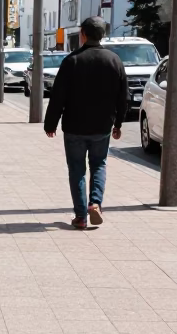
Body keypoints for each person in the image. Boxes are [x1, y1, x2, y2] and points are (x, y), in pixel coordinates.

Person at [44, 16, 128, 230]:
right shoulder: (114, 60)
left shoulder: (71, 60)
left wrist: (50, 123)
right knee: (99, 164)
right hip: (102, 126)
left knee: (76, 169)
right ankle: (95, 203)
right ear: (103, 35)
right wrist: (118, 123)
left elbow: (58, 96)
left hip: (74, 126)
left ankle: (81, 216)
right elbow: (123, 96)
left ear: (82, 34)